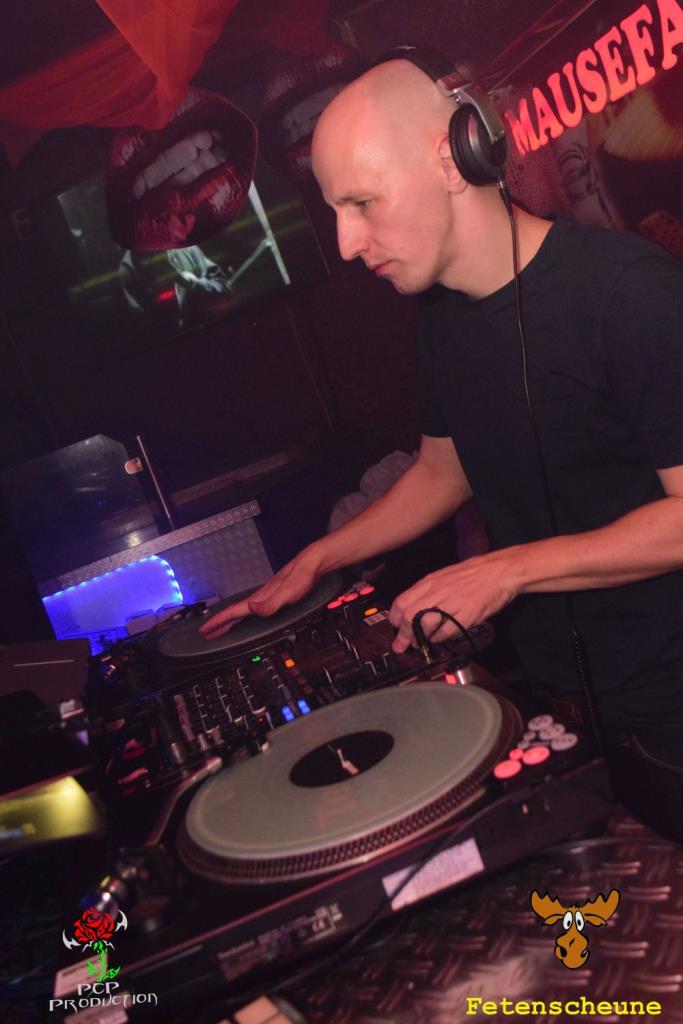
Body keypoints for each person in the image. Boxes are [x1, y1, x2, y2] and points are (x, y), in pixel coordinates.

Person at [200, 58, 683, 841]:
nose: (346, 243)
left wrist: (505, 569)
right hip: (558, 701)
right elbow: (442, 469)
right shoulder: (439, 317)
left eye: (362, 202)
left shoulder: (630, 295)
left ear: (454, 159)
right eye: (334, 211)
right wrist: (320, 559)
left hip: (669, 709)